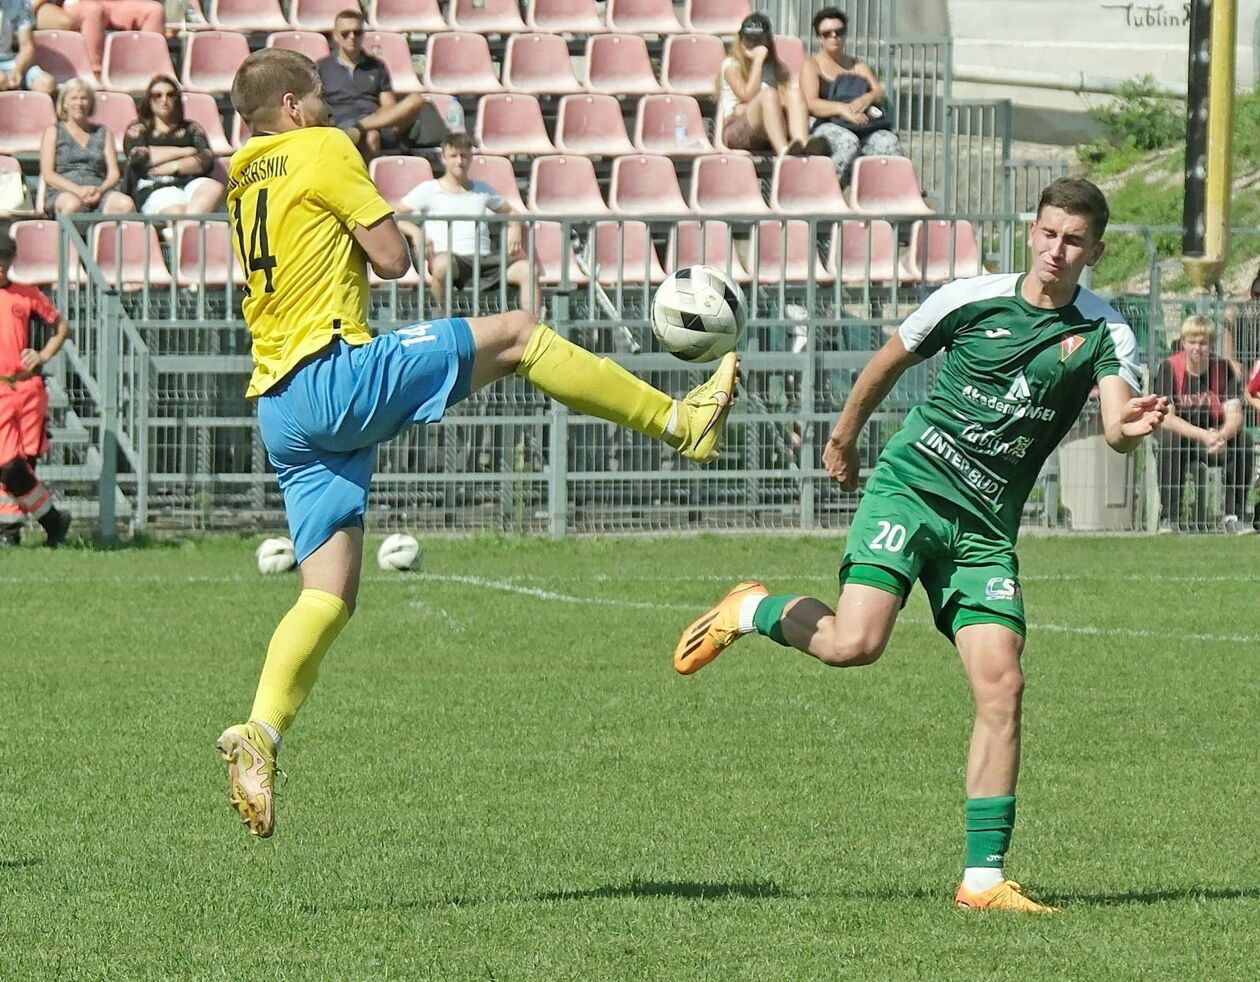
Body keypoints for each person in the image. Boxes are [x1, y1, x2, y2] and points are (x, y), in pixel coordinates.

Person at [214, 48, 739, 838]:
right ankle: (679, 422)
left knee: (327, 593)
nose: (326, 109)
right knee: (522, 333)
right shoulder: (321, 148)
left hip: (279, 407)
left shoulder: (241, 174)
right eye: (317, 97)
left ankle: (259, 731)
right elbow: (392, 259)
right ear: (291, 105)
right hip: (332, 371)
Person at [673, 177, 1167, 913]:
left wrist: (1131, 428)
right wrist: (843, 438)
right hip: (911, 485)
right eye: (1048, 233)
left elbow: (1118, 419)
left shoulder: (1104, 332)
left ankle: (982, 881)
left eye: (1074, 241)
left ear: (1094, 250)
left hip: (985, 529)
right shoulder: (970, 299)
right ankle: (751, 610)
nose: (1058, 251)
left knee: (1004, 684)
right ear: (1031, 233)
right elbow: (887, 363)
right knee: (854, 644)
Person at [393, 132, 538, 318]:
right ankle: (442, 319)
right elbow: (395, 215)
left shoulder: (482, 189)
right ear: (443, 158)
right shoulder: (428, 190)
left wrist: (515, 228)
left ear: (471, 158)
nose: (459, 161)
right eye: (453, 156)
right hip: (453, 260)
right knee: (441, 265)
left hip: (485, 260)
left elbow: (511, 212)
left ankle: (532, 328)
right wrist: (415, 232)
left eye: (464, 155)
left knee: (527, 270)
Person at [0, 225, 73, 547]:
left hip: (27, 389)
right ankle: (52, 520)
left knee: (24, 464)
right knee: (7, 464)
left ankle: (10, 531)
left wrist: (42, 354)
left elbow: (60, 327)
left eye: (4, 258)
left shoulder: (27, 294)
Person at [1154, 314, 1255, 534]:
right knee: (1169, 442)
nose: (1197, 348)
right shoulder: (1169, 368)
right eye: (1192, 342)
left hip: (1214, 437)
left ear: (1212, 344)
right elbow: (1167, 418)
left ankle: (1233, 515)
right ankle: (1169, 519)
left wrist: (1221, 436)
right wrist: (1202, 435)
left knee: (1244, 442)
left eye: (1203, 342)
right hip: (1184, 437)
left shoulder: (1222, 368)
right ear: (1183, 343)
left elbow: (1235, 414)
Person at [318, 7, 443, 162]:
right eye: (345, 33)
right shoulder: (322, 67)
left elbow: (388, 105)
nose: (352, 37)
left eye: (357, 32)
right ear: (335, 36)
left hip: (377, 121)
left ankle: (361, 127)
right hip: (342, 124)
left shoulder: (376, 66)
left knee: (416, 99)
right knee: (372, 137)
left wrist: (366, 124)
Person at [799, 7, 904, 186]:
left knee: (888, 142)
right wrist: (842, 109)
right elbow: (811, 103)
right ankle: (825, 194)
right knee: (848, 143)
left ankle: (894, 196)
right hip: (828, 124)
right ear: (819, 38)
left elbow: (879, 92)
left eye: (839, 32)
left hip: (863, 125)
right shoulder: (812, 65)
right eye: (827, 34)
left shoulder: (857, 65)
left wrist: (866, 98)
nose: (834, 37)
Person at [716, 12, 817, 156]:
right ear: (740, 39)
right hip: (737, 130)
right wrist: (758, 60)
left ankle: (802, 143)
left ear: (768, 40)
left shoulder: (778, 68)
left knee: (794, 94)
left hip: (770, 130)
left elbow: (784, 102)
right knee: (769, 94)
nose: (752, 43)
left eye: (758, 39)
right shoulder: (731, 65)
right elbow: (748, 96)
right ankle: (783, 151)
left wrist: (761, 106)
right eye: (748, 38)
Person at [123, 74, 224, 216]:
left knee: (214, 188)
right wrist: (184, 152)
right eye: (157, 95)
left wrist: (172, 167)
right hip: (154, 186)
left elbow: (206, 160)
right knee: (177, 212)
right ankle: (186, 231)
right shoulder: (137, 129)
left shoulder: (191, 128)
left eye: (170, 95)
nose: (164, 100)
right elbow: (139, 158)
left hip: (190, 183)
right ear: (149, 100)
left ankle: (187, 229)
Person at [39, 78, 135, 216]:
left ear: (90, 103)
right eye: (74, 98)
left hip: (98, 191)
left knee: (125, 205)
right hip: (64, 191)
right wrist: (78, 191)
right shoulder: (54, 131)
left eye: (84, 98)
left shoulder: (103, 132)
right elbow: (48, 175)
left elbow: (114, 174)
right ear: (64, 103)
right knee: (73, 206)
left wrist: (100, 190)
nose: (79, 103)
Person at [32, 0, 165, 76]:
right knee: (94, 11)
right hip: (74, 4)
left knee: (154, 10)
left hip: (112, 4)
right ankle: (96, 73)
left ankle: (150, 74)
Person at [1, 0, 56, 95]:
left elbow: (27, 46)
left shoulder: (20, 3)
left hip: (9, 62)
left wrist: (18, 70)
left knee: (46, 84)